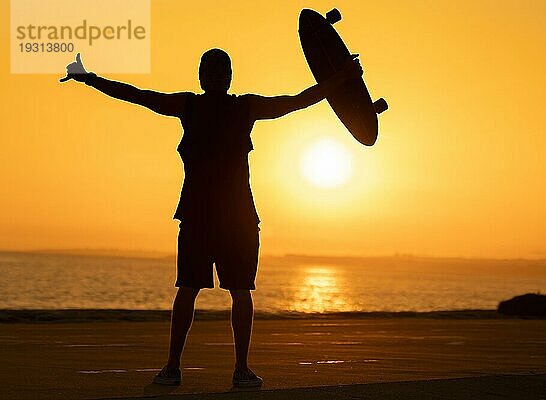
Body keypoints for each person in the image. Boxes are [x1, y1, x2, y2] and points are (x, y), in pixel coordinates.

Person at [61, 49, 362, 387]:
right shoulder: (192, 106)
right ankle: (174, 366)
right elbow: (139, 96)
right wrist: (91, 79)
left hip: (236, 219)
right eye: (212, 69)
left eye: (223, 69)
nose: (218, 75)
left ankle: (240, 369)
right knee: (189, 289)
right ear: (202, 75)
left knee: (239, 291)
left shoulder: (239, 106)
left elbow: (295, 101)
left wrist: (340, 79)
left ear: (229, 75)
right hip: (200, 217)